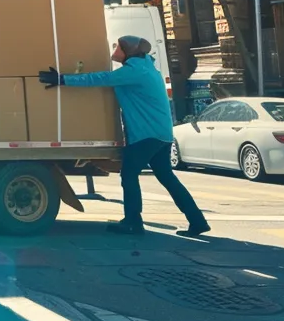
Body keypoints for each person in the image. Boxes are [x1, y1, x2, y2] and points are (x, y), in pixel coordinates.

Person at [40, 36, 210, 237]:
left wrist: (62, 79)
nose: (115, 48)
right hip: (161, 134)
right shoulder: (148, 69)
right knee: (167, 179)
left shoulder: (134, 72)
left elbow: (100, 78)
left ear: (127, 51)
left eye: (119, 46)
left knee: (129, 176)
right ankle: (197, 221)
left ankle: (133, 222)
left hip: (146, 136)